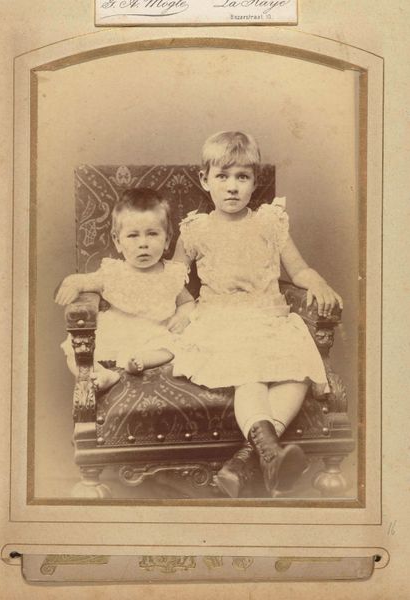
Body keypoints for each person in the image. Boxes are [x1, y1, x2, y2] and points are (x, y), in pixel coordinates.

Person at [172, 131, 343, 498]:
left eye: (242, 176)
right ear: (205, 180)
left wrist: (318, 281)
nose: (232, 186)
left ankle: (249, 460)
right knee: (249, 373)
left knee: (299, 370)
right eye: (222, 176)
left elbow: (299, 270)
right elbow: (172, 278)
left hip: (269, 317)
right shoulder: (196, 230)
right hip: (221, 320)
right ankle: (262, 456)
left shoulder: (270, 222)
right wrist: (185, 305)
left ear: (255, 181)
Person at [56, 187, 194, 391]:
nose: (143, 244)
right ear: (117, 241)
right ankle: (102, 374)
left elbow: (187, 301)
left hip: (155, 333)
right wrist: (72, 283)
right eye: (133, 236)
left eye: (152, 234)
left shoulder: (171, 274)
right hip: (118, 332)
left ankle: (141, 361)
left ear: (167, 239)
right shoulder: (113, 272)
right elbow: (86, 281)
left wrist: (183, 316)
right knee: (75, 353)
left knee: (173, 347)